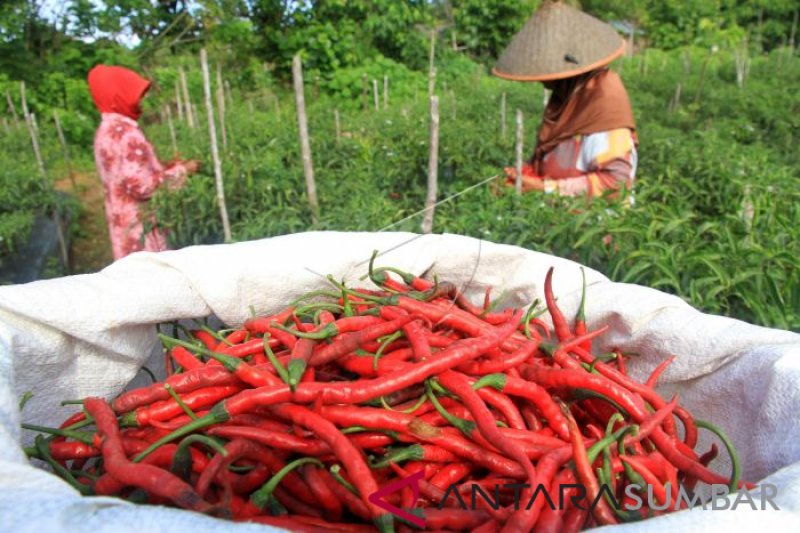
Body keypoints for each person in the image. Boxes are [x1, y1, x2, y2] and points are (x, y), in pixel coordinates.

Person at [494, 1, 637, 199]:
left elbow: (615, 185)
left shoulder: (602, 103)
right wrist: (526, 175)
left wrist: (544, 187)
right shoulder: (566, 98)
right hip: (557, 222)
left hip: (593, 227)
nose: (542, 79)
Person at [87, 65, 200, 260]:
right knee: (153, 280)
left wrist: (164, 166)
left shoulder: (106, 131)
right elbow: (144, 187)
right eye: (133, 93)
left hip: (124, 225)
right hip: (141, 228)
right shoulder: (126, 134)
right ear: (118, 94)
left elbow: (126, 173)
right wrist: (183, 170)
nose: (141, 100)